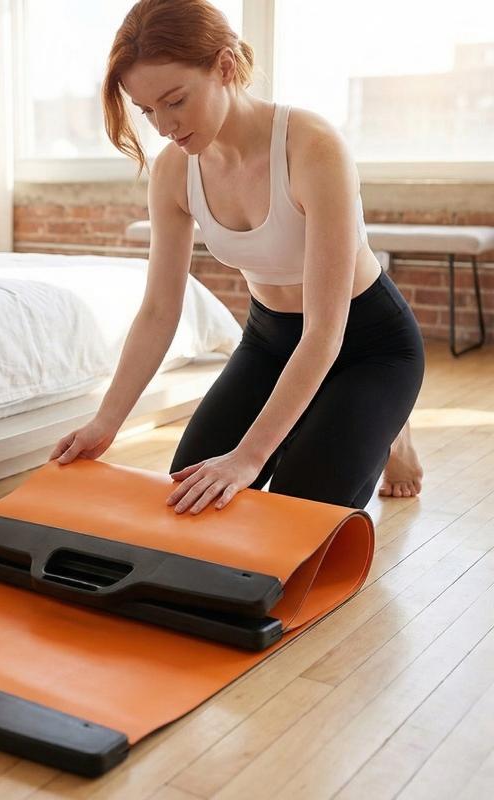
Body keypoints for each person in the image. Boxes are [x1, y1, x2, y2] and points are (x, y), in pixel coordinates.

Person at [49, 0, 425, 513]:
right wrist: (105, 422)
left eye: (175, 101)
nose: (164, 126)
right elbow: (159, 310)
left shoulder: (313, 148)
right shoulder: (174, 171)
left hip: (366, 345)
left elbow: (324, 332)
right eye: (147, 110)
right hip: (271, 341)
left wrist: (248, 458)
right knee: (190, 496)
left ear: (225, 67)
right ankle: (359, 420)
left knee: (295, 509)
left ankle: (389, 427)